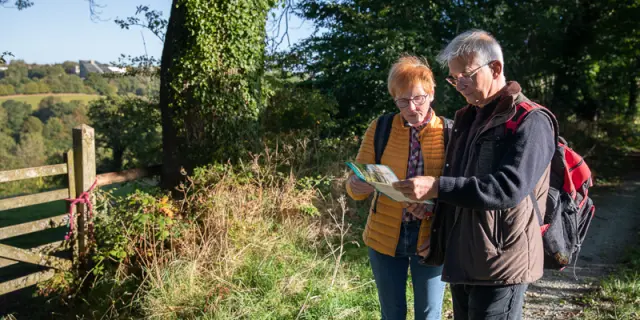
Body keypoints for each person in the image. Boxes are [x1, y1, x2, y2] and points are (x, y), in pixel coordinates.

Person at [392, 30, 556, 319]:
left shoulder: (531, 120)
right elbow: (458, 180)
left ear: (495, 68)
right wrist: (439, 232)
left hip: (501, 262)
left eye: (465, 76)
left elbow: (508, 189)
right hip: (463, 257)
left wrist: (436, 187)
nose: (459, 85)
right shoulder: (468, 117)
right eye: (454, 79)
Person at [346, 55, 448, 320]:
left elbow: (457, 189)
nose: (412, 108)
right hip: (384, 234)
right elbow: (356, 184)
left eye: (419, 98)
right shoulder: (380, 128)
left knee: (428, 313)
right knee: (392, 313)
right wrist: (358, 185)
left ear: (432, 93)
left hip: (431, 236)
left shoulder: (449, 132)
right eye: (403, 101)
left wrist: (431, 207)